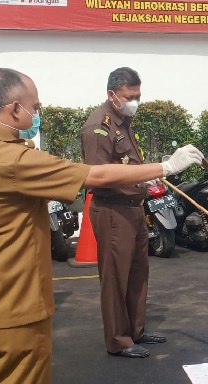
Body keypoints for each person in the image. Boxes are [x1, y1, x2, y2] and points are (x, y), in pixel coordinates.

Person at [0, 68, 202, 384]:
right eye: (35, 104)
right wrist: (166, 167)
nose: (38, 109)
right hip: (12, 307)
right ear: (15, 108)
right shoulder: (13, 160)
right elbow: (94, 176)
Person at [81, 67, 167, 359]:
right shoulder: (98, 127)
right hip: (113, 210)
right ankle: (119, 340)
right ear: (112, 95)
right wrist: (139, 178)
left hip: (133, 208)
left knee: (137, 274)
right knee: (116, 280)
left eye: (137, 96)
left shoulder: (123, 121)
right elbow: (98, 175)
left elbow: (128, 165)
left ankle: (135, 330)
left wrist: (144, 178)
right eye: (129, 97)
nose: (135, 102)